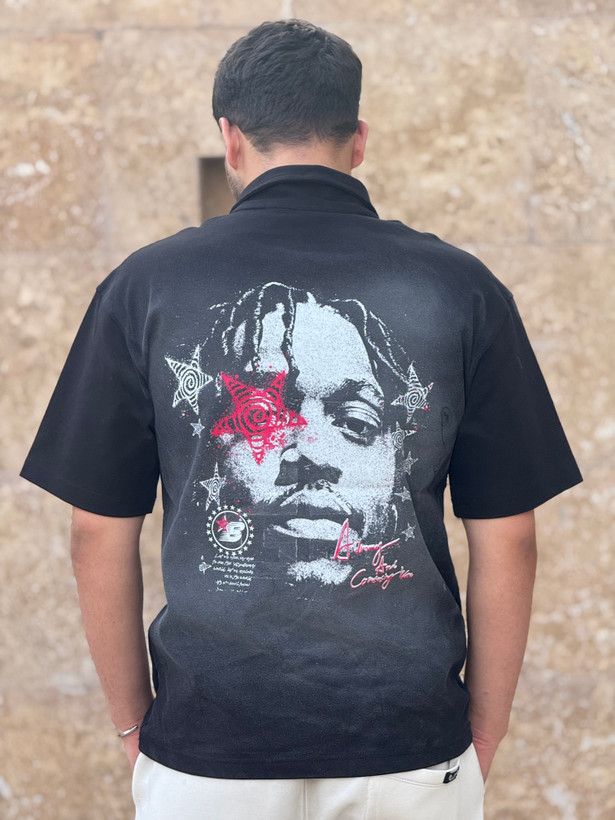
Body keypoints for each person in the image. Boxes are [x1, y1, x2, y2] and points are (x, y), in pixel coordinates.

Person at [21, 19, 582, 820]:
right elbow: (509, 538)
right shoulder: (460, 289)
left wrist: (133, 728)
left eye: (353, 421)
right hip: (410, 760)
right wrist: (483, 732)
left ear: (230, 138)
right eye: (260, 417)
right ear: (358, 140)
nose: (307, 453)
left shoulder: (144, 288)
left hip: (206, 766)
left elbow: (95, 534)